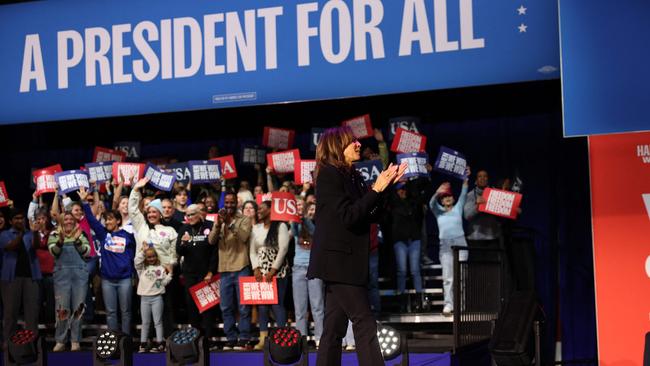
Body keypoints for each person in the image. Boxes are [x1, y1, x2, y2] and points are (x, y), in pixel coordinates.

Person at [307, 126, 406, 366]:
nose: (359, 144)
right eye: (352, 141)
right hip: (338, 262)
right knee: (364, 321)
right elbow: (349, 216)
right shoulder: (329, 174)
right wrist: (376, 189)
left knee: (333, 328)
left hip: (349, 261)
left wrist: (387, 186)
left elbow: (371, 213)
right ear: (336, 147)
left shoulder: (353, 175)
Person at [79, 187, 136, 335]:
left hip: (124, 279)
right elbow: (91, 220)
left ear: (118, 220)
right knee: (110, 312)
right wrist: (84, 202)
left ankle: (126, 341)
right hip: (107, 280)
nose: (107, 222)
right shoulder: (103, 235)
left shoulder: (128, 236)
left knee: (126, 312)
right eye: (106, 220)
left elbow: (134, 255)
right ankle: (114, 340)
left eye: (110, 219)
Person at [208, 192, 253, 351]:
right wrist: (218, 225)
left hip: (242, 267)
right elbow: (211, 241)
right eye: (226, 203)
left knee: (243, 307)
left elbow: (244, 237)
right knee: (226, 307)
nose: (229, 205)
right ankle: (231, 338)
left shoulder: (245, 219)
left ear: (237, 204)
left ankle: (244, 338)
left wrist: (230, 223)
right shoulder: (218, 219)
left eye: (232, 202)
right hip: (224, 268)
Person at [250, 200, 290, 350]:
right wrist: (256, 268)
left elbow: (283, 249)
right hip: (261, 272)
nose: (258, 210)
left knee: (277, 304)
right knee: (262, 307)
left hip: (278, 272)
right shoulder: (256, 228)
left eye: (262, 208)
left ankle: (281, 337)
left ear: (270, 210)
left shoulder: (281, 226)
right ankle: (263, 339)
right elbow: (252, 251)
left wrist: (273, 270)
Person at [48, 211, 91, 352]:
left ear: (74, 221)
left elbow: (86, 252)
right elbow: (53, 252)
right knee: (62, 308)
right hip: (62, 274)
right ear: (61, 221)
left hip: (79, 274)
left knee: (79, 308)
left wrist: (78, 240)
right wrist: (60, 241)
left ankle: (75, 341)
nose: (68, 221)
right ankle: (61, 340)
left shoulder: (81, 233)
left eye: (70, 219)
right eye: (65, 219)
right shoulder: (54, 234)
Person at [176, 204, 218, 346]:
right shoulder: (184, 229)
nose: (190, 217)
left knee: (207, 306)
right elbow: (179, 251)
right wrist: (183, 242)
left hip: (206, 273)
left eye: (193, 214)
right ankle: (195, 337)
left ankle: (208, 338)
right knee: (191, 305)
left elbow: (215, 251)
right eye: (187, 215)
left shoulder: (209, 226)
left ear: (200, 214)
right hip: (190, 274)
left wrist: (211, 271)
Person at [429, 170, 470, 316]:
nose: (447, 198)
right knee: (448, 277)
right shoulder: (438, 211)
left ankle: (461, 304)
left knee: (461, 277)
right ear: (442, 200)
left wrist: (466, 177)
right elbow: (431, 203)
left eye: (449, 196)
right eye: (444, 197)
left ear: (453, 198)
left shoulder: (458, 208)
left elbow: (464, 192)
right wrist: (437, 191)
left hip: (460, 243)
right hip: (445, 246)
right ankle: (448, 304)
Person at [0, 209, 41, 345]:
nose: (19, 220)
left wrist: (34, 232)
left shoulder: (29, 234)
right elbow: (11, 246)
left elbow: (36, 246)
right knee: (10, 313)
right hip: (11, 278)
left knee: (32, 313)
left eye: (21, 218)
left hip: (31, 277)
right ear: (11, 221)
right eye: (16, 218)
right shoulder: (5, 234)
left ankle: (31, 344)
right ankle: (8, 344)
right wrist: (22, 232)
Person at [389, 180, 427, 312]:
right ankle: (402, 301)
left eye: (404, 189)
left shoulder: (414, 202)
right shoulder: (393, 204)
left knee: (415, 270)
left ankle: (419, 300)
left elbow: (422, 194)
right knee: (402, 271)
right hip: (400, 241)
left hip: (414, 240)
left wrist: (410, 184)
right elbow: (388, 195)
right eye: (400, 189)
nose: (402, 191)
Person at [291, 201, 324, 347]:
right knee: (300, 309)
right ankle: (301, 340)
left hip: (314, 268)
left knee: (317, 307)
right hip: (298, 268)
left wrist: (305, 219)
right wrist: (296, 219)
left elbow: (314, 232)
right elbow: (294, 231)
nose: (312, 211)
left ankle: (320, 338)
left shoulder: (320, 226)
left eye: (314, 209)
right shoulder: (298, 225)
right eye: (309, 209)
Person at [135, 246, 172, 352]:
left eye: (153, 256)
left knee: (158, 322)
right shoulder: (141, 269)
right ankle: (143, 344)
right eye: (148, 257)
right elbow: (136, 261)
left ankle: (160, 343)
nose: (151, 259)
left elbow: (163, 283)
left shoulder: (160, 269)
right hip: (144, 299)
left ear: (156, 257)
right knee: (145, 322)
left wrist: (170, 274)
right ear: (145, 258)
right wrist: (143, 251)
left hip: (157, 298)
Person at [463, 170, 502, 255]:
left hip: (493, 238)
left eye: (485, 176)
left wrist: (513, 209)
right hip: (475, 240)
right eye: (480, 176)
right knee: (477, 267)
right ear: (476, 181)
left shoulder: (496, 194)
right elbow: (467, 216)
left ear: (488, 179)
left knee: (494, 268)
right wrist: (477, 207)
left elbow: (502, 213)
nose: (483, 178)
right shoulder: (470, 195)